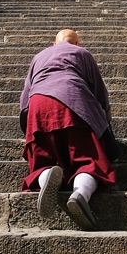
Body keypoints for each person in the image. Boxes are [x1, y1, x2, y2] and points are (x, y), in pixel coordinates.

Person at [19, 29, 116, 230]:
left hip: (38, 105)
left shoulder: (39, 57)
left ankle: (47, 176)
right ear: (77, 43)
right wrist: (103, 127)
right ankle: (80, 193)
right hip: (74, 102)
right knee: (90, 161)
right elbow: (100, 94)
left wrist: (29, 128)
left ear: (54, 45)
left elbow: (24, 98)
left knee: (42, 160)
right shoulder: (82, 54)